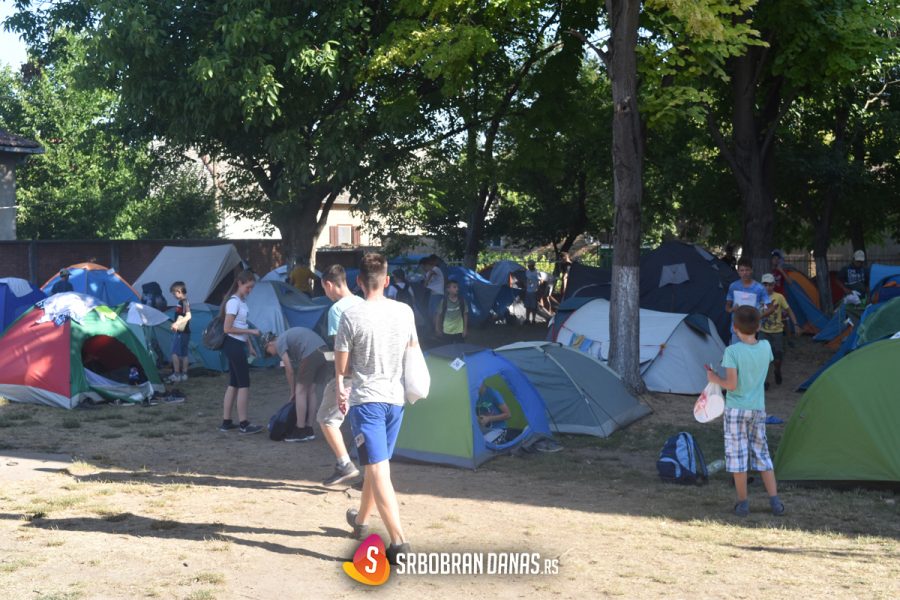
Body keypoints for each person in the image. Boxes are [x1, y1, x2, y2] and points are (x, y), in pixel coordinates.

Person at [336, 252, 417, 564]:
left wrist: (343, 386)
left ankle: (399, 541)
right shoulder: (405, 311)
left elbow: (343, 367)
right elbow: (412, 351)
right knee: (376, 464)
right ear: (386, 280)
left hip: (366, 400)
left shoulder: (351, 316)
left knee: (378, 468)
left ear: (358, 282)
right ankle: (360, 522)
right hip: (395, 399)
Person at [705, 305, 785, 518]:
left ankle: (743, 503)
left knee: (738, 456)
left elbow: (731, 385)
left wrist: (714, 379)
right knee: (762, 454)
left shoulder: (732, 351)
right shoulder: (766, 347)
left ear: (734, 328)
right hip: (758, 409)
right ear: (759, 325)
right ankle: (775, 501)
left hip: (736, 410)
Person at [316, 265, 364, 486]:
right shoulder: (363, 303)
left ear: (328, 284)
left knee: (327, 418)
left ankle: (345, 463)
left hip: (347, 374)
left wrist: (339, 383)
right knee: (363, 423)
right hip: (366, 373)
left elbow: (340, 349)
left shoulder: (337, 310)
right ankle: (372, 474)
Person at [265, 327, 330, 442]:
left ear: (269, 344)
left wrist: (292, 391)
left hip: (311, 352)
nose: (271, 355)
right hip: (324, 351)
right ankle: (309, 429)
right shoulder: (287, 337)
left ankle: (300, 430)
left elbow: (289, 371)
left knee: (300, 392)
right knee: (311, 391)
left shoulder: (279, 342)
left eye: (268, 352)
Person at [218, 270, 263, 434]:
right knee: (244, 383)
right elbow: (227, 328)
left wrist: (249, 344)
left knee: (234, 383)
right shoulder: (233, 302)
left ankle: (227, 421)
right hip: (233, 345)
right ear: (240, 283)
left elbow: (241, 326)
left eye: (251, 288)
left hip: (238, 344)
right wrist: (252, 333)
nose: (249, 291)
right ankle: (244, 423)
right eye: (248, 287)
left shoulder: (241, 302)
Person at [759, 273, 798, 388]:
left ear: (774, 285)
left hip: (777, 332)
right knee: (762, 357)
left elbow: (789, 310)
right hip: (763, 331)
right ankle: (764, 381)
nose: (767, 287)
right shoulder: (758, 297)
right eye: (765, 285)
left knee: (778, 357)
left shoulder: (779, 297)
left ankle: (777, 370)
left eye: (770, 285)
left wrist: (795, 324)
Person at [725, 257, 772, 345]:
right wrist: (732, 309)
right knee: (737, 354)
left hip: (752, 328)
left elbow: (771, 308)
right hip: (736, 328)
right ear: (738, 271)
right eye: (742, 270)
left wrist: (758, 316)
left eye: (747, 270)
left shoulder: (759, 288)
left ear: (751, 270)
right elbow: (727, 307)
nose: (745, 273)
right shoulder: (733, 286)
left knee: (749, 355)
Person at [166, 282, 192, 383]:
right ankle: (184, 374)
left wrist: (177, 323)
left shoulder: (184, 302)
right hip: (185, 332)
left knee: (174, 352)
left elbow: (188, 316)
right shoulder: (183, 302)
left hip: (182, 333)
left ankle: (176, 374)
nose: (173, 295)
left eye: (173, 293)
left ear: (179, 291)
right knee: (184, 353)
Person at [435, 279, 468, 343]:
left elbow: (465, 314)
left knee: (460, 349)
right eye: (454, 287)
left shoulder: (461, 300)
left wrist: (465, 329)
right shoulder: (444, 301)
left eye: (457, 287)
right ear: (448, 289)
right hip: (447, 330)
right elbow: (438, 314)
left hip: (459, 330)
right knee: (447, 350)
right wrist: (437, 328)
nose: (457, 289)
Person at [421, 255, 445, 325]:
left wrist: (426, 281)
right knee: (431, 312)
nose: (423, 269)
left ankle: (437, 330)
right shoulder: (428, 272)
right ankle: (434, 329)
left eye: (423, 267)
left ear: (427, 265)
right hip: (432, 294)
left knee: (436, 313)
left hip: (438, 294)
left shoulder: (436, 269)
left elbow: (427, 281)